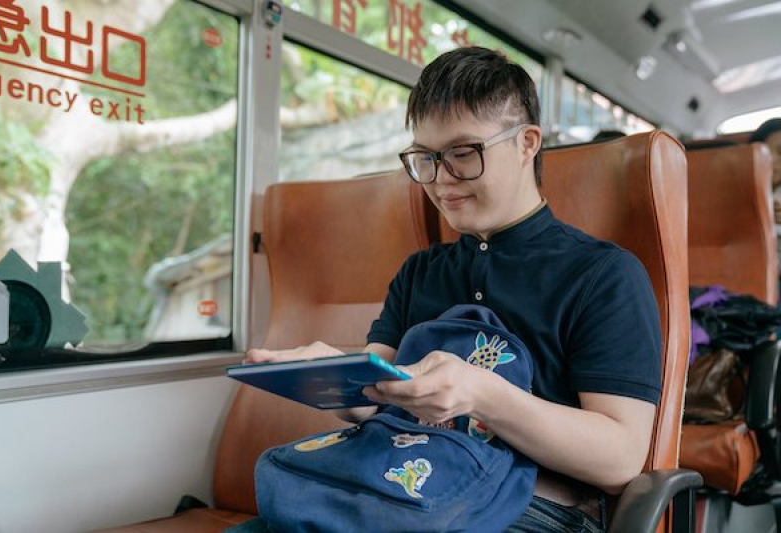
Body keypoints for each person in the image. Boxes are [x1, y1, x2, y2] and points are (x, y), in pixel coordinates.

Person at [229, 46, 661, 533]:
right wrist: (330, 375)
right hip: (406, 491)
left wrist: (483, 395)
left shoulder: (603, 275)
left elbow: (620, 458)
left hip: (532, 510)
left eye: (463, 153)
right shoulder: (420, 272)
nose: (440, 180)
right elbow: (374, 397)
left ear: (526, 143)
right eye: (425, 159)